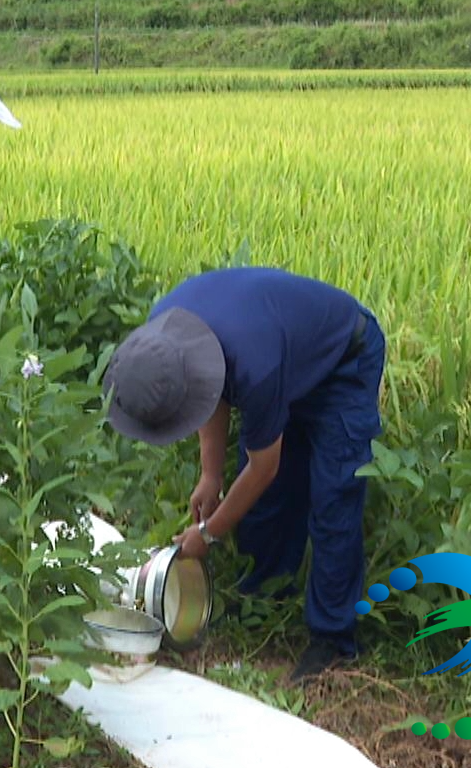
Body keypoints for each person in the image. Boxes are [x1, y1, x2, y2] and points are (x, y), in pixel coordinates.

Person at [102, 267, 387, 683]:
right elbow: (207, 389)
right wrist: (210, 476)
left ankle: (332, 639)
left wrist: (210, 533)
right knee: (268, 506)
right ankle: (265, 595)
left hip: (344, 361)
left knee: (333, 500)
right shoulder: (162, 332)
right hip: (281, 352)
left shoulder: (257, 367)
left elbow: (262, 468)